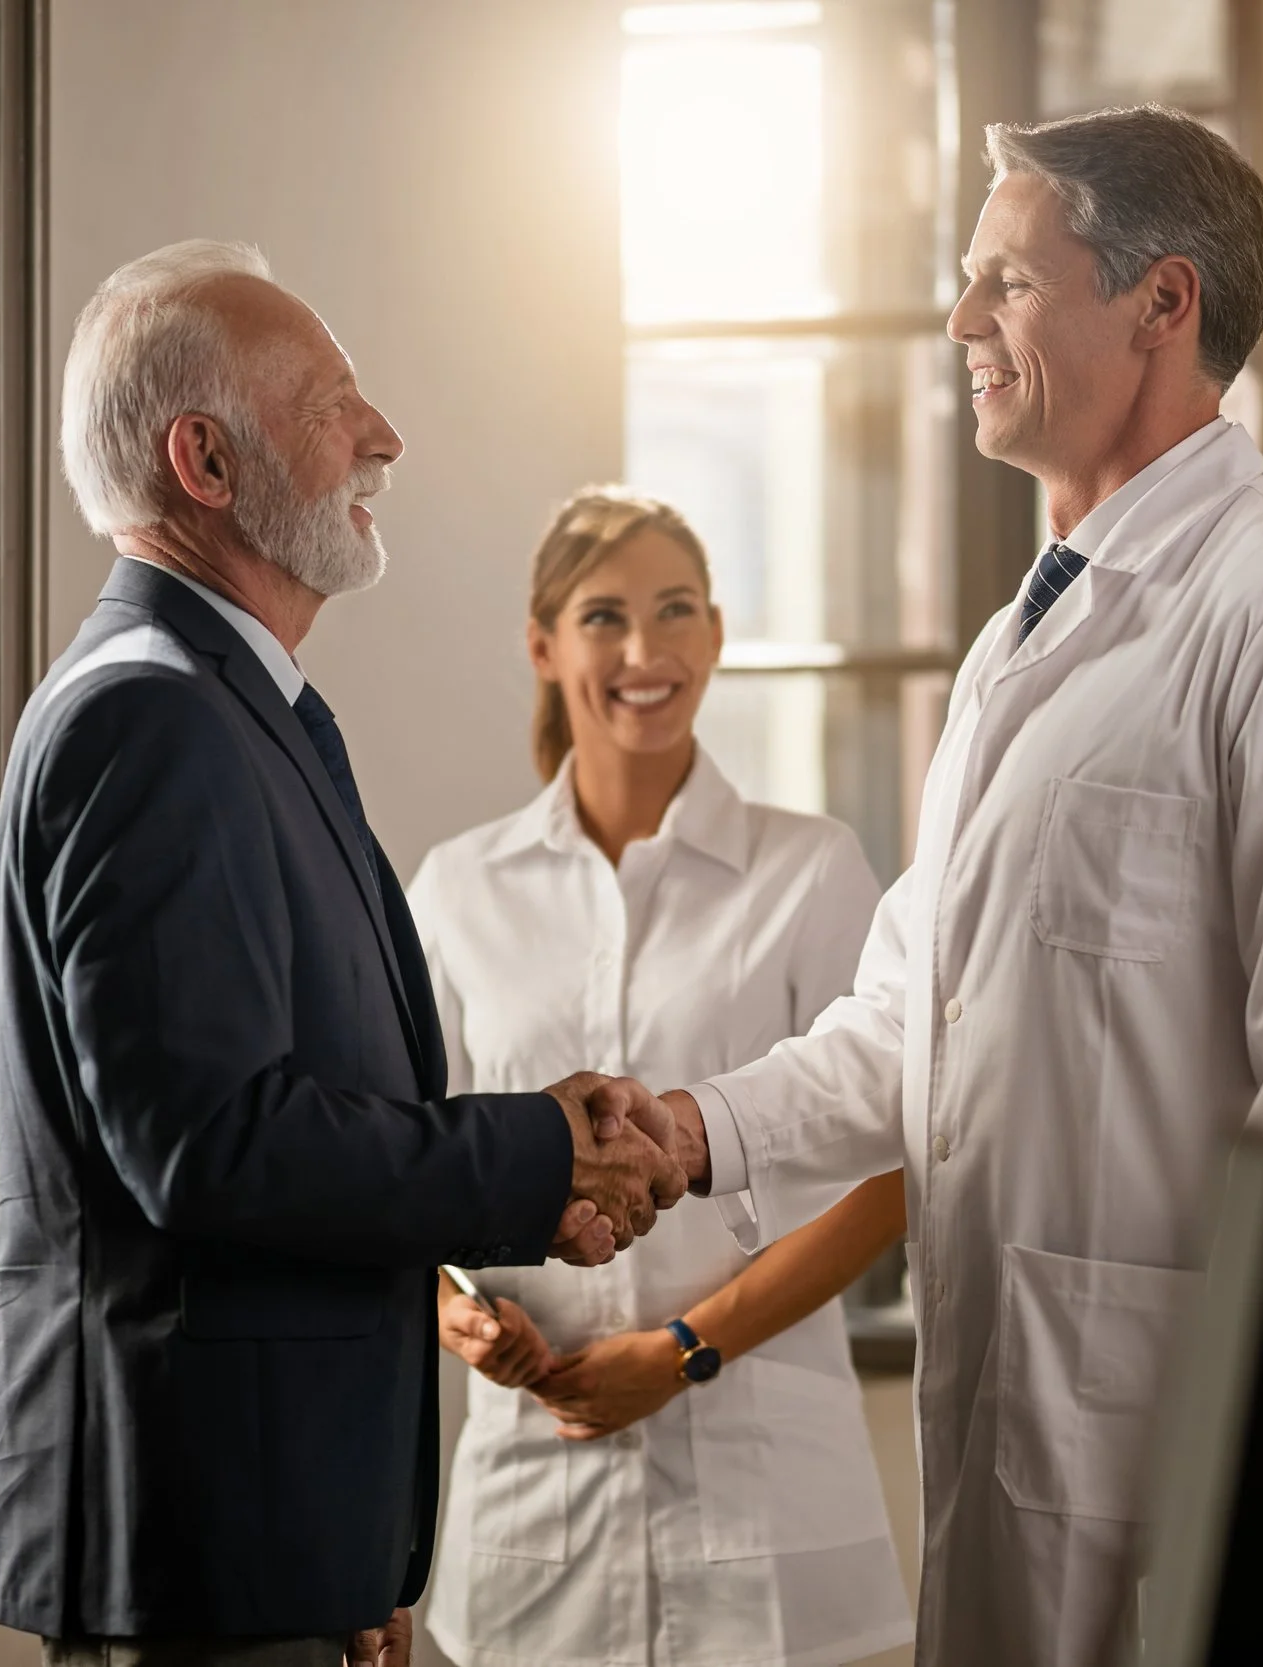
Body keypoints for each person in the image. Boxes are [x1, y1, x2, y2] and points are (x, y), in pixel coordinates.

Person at [654, 107, 1263, 1665]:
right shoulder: (1023, 642)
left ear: (1164, 305)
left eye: (1005, 284)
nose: (959, 323)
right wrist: (693, 1131)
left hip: (1180, 1492)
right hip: (1013, 1456)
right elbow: (910, 1021)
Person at [0, 241, 690, 1667]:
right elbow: (213, 1144)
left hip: (271, 1542)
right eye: (333, 404)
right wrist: (545, 1155)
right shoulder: (155, 720)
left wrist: (345, 1543)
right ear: (207, 459)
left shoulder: (229, 703)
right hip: (197, 1550)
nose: (384, 438)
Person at [405, 489, 915, 1667]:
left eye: (675, 610)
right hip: (532, 1516)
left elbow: (892, 1170)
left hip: (769, 1506)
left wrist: (684, 1347)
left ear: (717, 634)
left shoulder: (811, 870)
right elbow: (402, 1161)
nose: (646, 651)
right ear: (542, 644)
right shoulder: (456, 889)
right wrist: (452, 1311)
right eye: (604, 617)